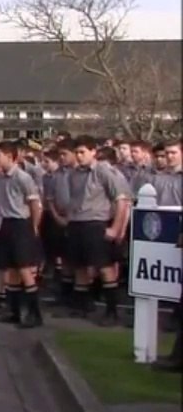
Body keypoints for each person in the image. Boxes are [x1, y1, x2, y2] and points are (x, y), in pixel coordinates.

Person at [64, 136, 132, 324]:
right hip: (78, 222)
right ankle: (82, 306)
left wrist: (116, 228)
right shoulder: (74, 173)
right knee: (79, 266)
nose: (78, 156)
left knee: (104, 267)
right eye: (76, 152)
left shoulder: (104, 171)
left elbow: (121, 200)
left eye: (82, 152)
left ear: (93, 151)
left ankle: (112, 311)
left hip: (97, 223)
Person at [0, 142, 46, 328]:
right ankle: (13, 310)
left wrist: (34, 227)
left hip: (21, 224)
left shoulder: (23, 177)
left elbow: (34, 204)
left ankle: (34, 314)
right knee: (10, 269)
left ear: (10, 157)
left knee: (24, 269)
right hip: (6, 223)